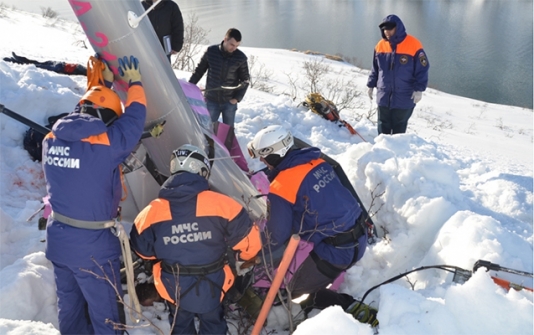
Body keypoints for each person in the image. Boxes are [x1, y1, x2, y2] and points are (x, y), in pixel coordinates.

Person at [42, 55, 146, 334]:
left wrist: (102, 86)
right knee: (106, 315)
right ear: (107, 118)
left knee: (70, 306)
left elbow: (84, 119)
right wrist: (135, 83)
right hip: (93, 247)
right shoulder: (107, 144)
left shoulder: (50, 140)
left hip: (59, 240)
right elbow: (135, 120)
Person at [129, 144, 262, 335]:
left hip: (173, 286)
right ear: (202, 171)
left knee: (180, 325)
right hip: (214, 283)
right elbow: (250, 242)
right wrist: (241, 258)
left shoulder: (151, 211)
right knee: (214, 323)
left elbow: (142, 250)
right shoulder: (223, 204)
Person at [246, 125, 367, 299]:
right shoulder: (319, 163)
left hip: (334, 254)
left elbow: (276, 236)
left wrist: (251, 250)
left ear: (273, 155)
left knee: (286, 291)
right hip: (359, 240)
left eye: (263, 158)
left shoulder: (281, 186)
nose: (263, 162)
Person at [367, 14, 429, 135]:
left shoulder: (413, 44)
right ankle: (381, 150)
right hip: (384, 95)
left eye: (390, 28)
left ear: (398, 28)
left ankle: (397, 152)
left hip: (404, 96)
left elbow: (423, 68)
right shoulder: (380, 45)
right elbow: (375, 68)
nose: (387, 32)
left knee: (399, 128)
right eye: (384, 29)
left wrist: (419, 89)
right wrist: (371, 85)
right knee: (382, 125)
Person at [189, 28, 250, 128]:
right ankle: (208, 144)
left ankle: (227, 144)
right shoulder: (211, 52)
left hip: (229, 102)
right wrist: (189, 86)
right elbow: (199, 71)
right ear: (225, 39)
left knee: (228, 132)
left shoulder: (241, 58)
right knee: (207, 129)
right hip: (211, 100)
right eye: (232, 44)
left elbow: (245, 80)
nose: (234, 48)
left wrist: (236, 98)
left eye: (237, 46)